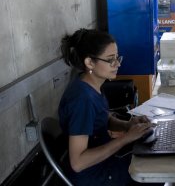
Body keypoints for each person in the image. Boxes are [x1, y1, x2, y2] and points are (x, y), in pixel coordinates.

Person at [58, 29, 158, 186]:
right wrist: (126, 138)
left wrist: (127, 125)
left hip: (104, 161)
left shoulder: (90, 84)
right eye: (110, 60)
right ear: (89, 62)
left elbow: (101, 117)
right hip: (95, 176)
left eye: (117, 58)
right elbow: (78, 163)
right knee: (157, 172)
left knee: (155, 155)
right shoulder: (82, 100)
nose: (117, 64)